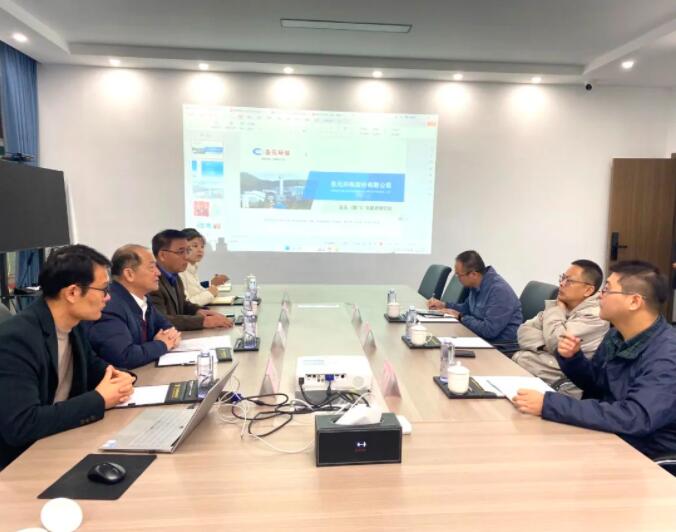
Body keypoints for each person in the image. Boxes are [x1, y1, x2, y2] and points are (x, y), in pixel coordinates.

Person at [514, 261, 676, 459]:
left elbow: (635, 417)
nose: (600, 296)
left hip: (645, 454)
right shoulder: (616, 335)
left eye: (607, 290)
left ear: (634, 301)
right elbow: (596, 385)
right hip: (608, 435)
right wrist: (574, 359)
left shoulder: (667, 355)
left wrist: (549, 404)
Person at [0, 245, 135, 469]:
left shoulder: (74, 325)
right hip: (21, 463)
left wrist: (120, 377)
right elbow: (21, 425)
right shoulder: (16, 339)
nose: (108, 297)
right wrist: (100, 400)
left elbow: (92, 366)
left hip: (61, 439)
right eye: (103, 289)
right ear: (72, 293)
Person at [512, 260, 609, 396]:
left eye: (569, 281)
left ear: (588, 290)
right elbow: (524, 330)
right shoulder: (563, 304)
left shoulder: (595, 316)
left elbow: (557, 343)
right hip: (533, 373)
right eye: (562, 278)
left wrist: (556, 312)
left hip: (558, 387)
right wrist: (545, 346)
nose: (562, 284)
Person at [88, 244, 181, 369]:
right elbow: (124, 357)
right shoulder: (109, 305)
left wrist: (166, 340)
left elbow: (167, 328)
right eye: (152, 267)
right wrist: (161, 344)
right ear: (129, 274)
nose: (158, 273)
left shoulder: (143, 298)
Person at [428, 250, 522, 345]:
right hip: (479, 337)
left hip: (499, 346)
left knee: (445, 347)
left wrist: (461, 317)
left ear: (473, 274)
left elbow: (489, 330)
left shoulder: (499, 291)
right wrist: (444, 305)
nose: (457, 278)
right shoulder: (476, 285)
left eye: (459, 275)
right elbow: (467, 308)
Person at [148, 229, 232, 331]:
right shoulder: (151, 281)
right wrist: (203, 321)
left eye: (187, 251)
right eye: (180, 252)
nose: (186, 257)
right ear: (162, 255)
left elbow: (183, 304)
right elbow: (160, 320)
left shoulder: (174, 275)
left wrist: (198, 311)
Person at [179, 228, 229, 306]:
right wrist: (210, 293)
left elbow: (197, 291)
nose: (200, 250)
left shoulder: (192, 268)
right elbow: (186, 304)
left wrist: (211, 285)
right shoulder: (179, 271)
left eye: (202, 246)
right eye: (195, 246)